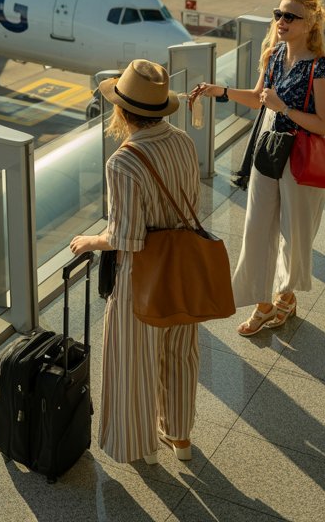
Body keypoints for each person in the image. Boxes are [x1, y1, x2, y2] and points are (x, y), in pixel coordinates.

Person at [188, 0, 325, 337]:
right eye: (278, 14)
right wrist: (221, 91)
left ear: (309, 23)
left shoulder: (319, 68)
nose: (281, 21)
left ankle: (285, 295)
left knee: (292, 232)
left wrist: (284, 108)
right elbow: (259, 99)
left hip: (300, 156)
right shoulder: (273, 55)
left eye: (290, 16)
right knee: (256, 227)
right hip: (269, 147)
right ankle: (261, 302)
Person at [69, 59, 200, 465]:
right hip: (184, 266)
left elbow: (125, 237)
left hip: (142, 277)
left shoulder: (123, 162)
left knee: (133, 363)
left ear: (122, 111)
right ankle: (180, 438)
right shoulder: (183, 141)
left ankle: (139, 447)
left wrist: (89, 242)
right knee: (180, 354)